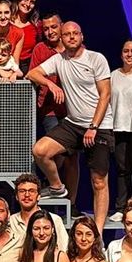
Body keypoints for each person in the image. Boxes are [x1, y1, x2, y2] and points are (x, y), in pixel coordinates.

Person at [27, 21, 114, 226]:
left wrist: (93, 127)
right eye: (67, 34)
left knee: (98, 181)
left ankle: (98, 233)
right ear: (62, 38)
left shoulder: (96, 58)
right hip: (73, 124)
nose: (72, 37)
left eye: (75, 33)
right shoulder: (59, 59)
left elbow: (105, 94)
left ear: (82, 36)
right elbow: (32, 73)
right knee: (40, 151)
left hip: (98, 125)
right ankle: (57, 187)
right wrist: (50, 84)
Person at [29, 13, 80, 203]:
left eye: (53, 27)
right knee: (55, 153)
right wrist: (50, 84)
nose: (50, 32)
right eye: (46, 29)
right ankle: (53, 185)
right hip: (50, 110)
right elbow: (32, 74)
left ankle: (72, 203)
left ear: (62, 27)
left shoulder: (75, 48)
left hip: (73, 111)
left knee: (72, 158)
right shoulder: (41, 49)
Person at [110, 39, 132, 219]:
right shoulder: (113, 75)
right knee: (122, 169)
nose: (129, 54)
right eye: (126, 51)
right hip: (118, 128)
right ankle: (121, 208)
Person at [9, 173, 67, 252]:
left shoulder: (54, 219)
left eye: (31, 191)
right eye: (22, 191)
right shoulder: (10, 222)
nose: (27, 195)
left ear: (39, 196)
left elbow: (64, 249)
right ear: (16, 196)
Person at [10, 0, 39, 73]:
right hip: (6, 65)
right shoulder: (6, 21)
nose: (28, 4)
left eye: (32, 2)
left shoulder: (36, 26)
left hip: (26, 69)